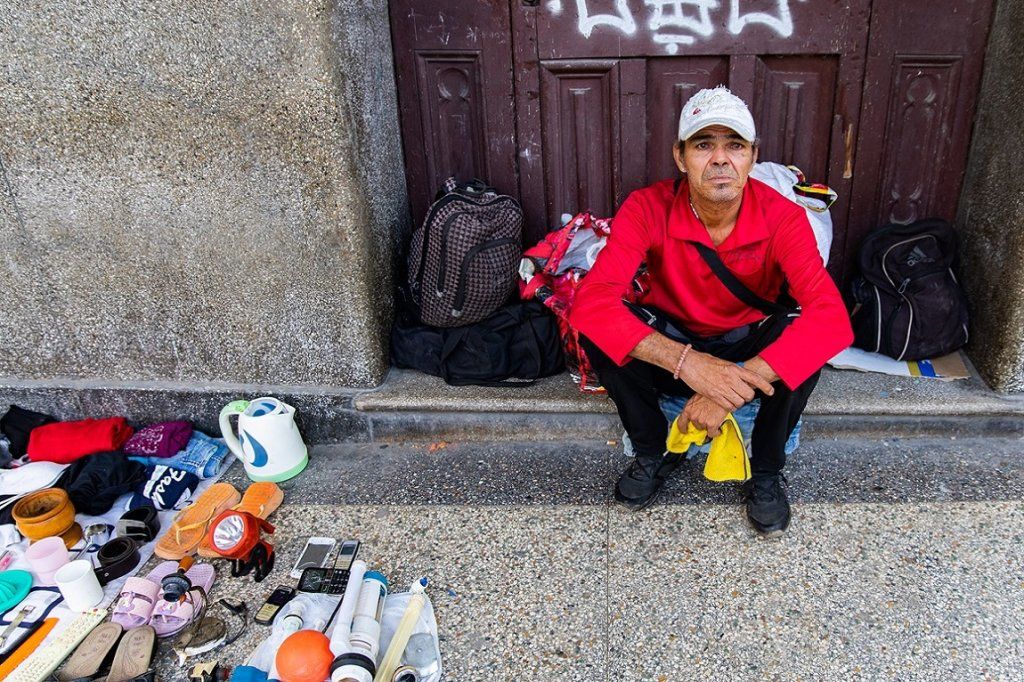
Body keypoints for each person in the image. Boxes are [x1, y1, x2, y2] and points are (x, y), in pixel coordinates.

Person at [569, 86, 853, 535]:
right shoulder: (646, 206)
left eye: (734, 146)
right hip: (677, 341)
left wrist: (724, 390)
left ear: (752, 157)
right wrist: (688, 363)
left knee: (806, 338)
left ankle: (765, 470)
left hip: (747, 345)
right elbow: (592, 302)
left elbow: (832, 319)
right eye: (704, 145)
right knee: (601, 332)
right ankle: (651, 450)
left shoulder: (783, 216)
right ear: (681, 157)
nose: (720, 159)